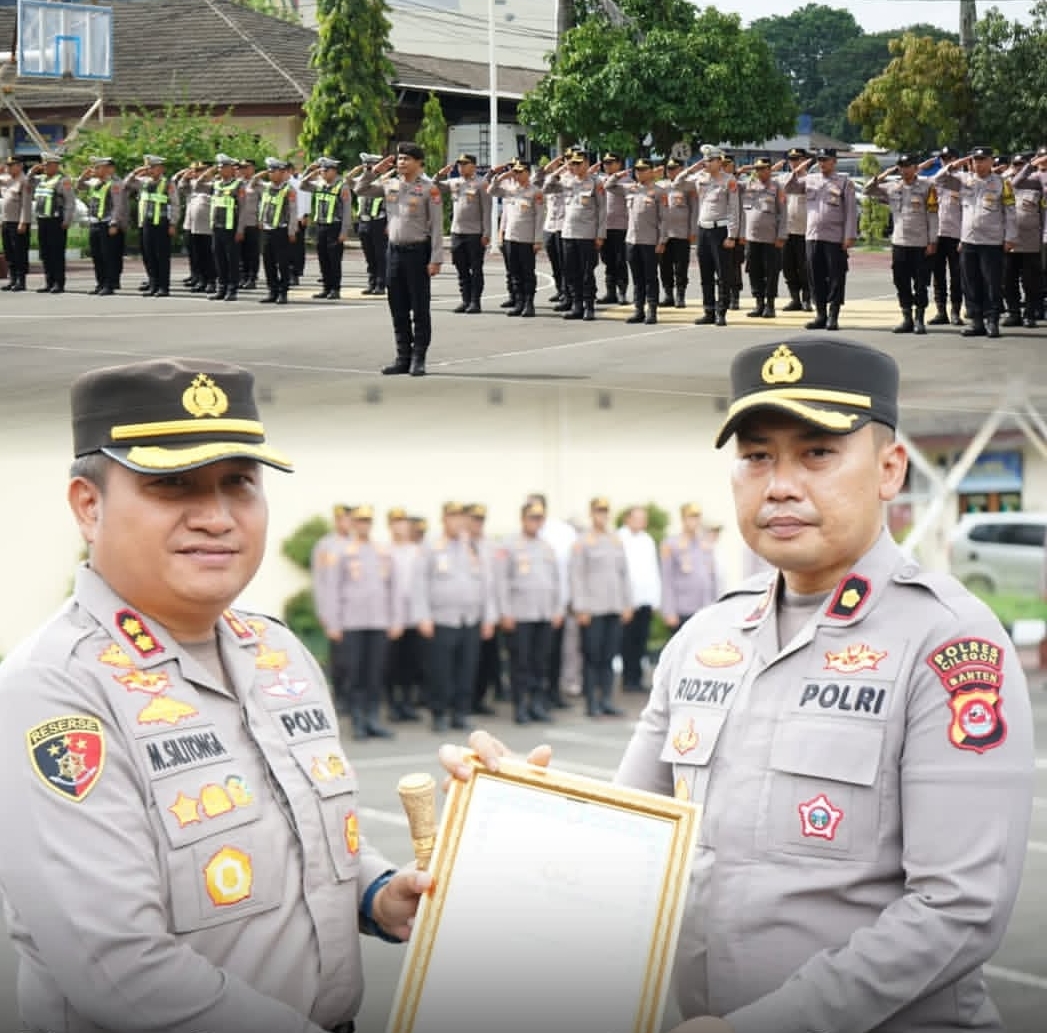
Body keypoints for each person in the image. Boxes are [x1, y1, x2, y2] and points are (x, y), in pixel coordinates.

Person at [449, 334, 1035, 1033]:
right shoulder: (703, 640)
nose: (779, 483)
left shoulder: (947, 643)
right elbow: (631, 842)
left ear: (889, 469)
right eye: (756, 456)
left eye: (816, 453)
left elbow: (957, 909)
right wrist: (513, 810)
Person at [0, 357, 433, 1033]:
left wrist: (377, 894)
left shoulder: (276, 651)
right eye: (172, 485)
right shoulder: (54, 689)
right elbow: (119, 969)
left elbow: (302, 835)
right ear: (89, 506)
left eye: (239, 482)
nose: (217, 517)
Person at [352, 143, 445, 377]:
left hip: (418, 252)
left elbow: (436, 226)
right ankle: (403, 357)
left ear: (419, 162)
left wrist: (436, 259)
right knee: (398, 307)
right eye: (399, 158)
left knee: (419, 308)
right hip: (393, 252)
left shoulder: (429, 189)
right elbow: (359, 189)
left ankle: (418, 358)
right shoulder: (390, 184)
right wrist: (374, 171)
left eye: (406, 158)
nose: (401, 162)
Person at [934, 146, 1016, 339]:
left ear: (991, 161)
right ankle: (976, 321)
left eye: (983, 160)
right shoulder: (964, 180)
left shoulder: (1002, 183)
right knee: (970, 283)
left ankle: (992, 320)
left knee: (992, 283)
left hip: (992, 241)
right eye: (975, 160)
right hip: (968, 240)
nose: (979, 164)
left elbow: (1010, 211)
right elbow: (939, 179)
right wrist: (957, 163)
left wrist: (1010, 237)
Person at [496, 500, 562, 724]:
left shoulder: (546, 547)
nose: (536, 522)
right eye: (532, 517)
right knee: (520, 663)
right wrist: (505, 612)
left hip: (544, 614)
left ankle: (537, 704)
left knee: (540, 663)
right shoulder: (509, 545)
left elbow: (555, 582)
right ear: (523, 519)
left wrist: (557, 609)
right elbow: (502, 581)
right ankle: (520, 705)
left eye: (539, 518)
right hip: (520, 615)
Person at [570, 496, 633, 717]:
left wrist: (627, 603)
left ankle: (606, 699)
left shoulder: (615, 539)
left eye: (605, 511)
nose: (602, 515)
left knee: (609, 656)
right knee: (592, 656)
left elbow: (624, 574)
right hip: (592, 609)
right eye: (598, 511)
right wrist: (580, 608)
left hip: (613, 607)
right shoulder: (583, 541)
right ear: (591, 513)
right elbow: (577, 576)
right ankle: (591, 702)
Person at [864, 153, 938, 335]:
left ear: (915, 168)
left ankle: (919, 319)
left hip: (920, 242)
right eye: (901, 166)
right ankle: (907, 318)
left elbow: (932, 215)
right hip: (900, 242)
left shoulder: (927, 186)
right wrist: (884, 174)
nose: (904, 170)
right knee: (901, 281)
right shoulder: (893, 187)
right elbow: (868, 190)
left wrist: (932, 240)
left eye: (907, 166)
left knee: (921, 283)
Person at [784, 147, 857, 331]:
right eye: (819, 160)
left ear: (834, 161)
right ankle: (821, 315)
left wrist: (849, 235)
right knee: (815, 276)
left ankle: (833, 315)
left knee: (835, 277)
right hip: (813, 235)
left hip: (834, 237)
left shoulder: (844, 182)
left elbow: (851, 211)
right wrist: (796, 171)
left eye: (825, 160)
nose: (822, 163)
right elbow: (789, 188)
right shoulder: (810, 179)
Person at [435, 153, 492, 314]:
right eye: (459, 164)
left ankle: (475, 301)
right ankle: (465, 300)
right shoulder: (455, 182)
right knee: (461, 268)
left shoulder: (481, 183)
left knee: (476, 268)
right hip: (457, 232)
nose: (461, 167)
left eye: (464, 164)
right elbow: (434, 186)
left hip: (475, 233)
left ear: (473, 166)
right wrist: (439, 175)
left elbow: (487, 210)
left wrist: (486, 233)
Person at [617, 504, 661, 693]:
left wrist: (655, 598)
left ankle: (637, 678)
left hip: (645, 598)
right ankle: (628, 679)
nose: (641, 521)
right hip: (628, 601)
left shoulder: (647, 540)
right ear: (627, 519)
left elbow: (652, 570)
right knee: (627, 641)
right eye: (637, 518)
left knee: (641, 641)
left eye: (643, 518)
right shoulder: (619, 538)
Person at [123, 155, 180, 297]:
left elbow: (175, 204)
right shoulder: (144, 182)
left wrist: (173, 223)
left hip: (162, 223)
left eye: (153, 167)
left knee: (162, 257)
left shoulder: (168, 183)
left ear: (161, 168)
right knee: (150, 256)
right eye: (149, 167)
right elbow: (125, 185)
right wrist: (135, 172)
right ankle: (153, 285)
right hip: (147, 223)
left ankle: (163, 287)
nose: (150, 170)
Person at [75, 156, 128, 296]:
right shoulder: (95, 182)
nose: (95, 170)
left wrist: (114, 223)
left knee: (108, 256)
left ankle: (109, 284)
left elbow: (118, 206)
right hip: (94, 223)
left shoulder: (114, 184)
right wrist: (83, 177)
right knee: (97, 256)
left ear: (106, 169)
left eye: (98, 167)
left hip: (107, 223)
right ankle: (100, 283)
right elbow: (79, 187)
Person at [302, 157, 352, 300]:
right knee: (323, 259)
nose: (322, 173)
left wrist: (344, 231)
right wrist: (310, 171)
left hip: (335, 227)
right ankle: (326, 288)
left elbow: (347, 210)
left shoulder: (342, 186)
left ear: (333, 171)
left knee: (334, 260)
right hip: (321, 226)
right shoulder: (319, 184)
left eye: (325, 171)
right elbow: (302, 185)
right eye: (321, 171)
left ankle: (335, 289)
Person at [25, 151, 75, 294]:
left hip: (56, 221)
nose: (44, 167)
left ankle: (59, 283)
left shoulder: (62, 180)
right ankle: (49, 282)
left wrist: (67, 220)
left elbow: (70, 202)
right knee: (45, 253)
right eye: (44, 164)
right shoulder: (41, 179)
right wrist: (31, 172)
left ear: (55, 165)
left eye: (47, 164)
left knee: (56, 253)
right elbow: (27, 184)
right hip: (43, 220)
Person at [1, 155, 32, 292]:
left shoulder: (24, 181)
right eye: (7, 165)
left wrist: (23, 222)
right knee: (9, 252)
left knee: (19, 252)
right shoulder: (7, 180)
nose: (8, 168)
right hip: (6, 221)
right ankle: (12, 279)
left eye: (11, 165)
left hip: (18, 222)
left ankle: (21, 280)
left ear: (19, 166)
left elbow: (26, 204)